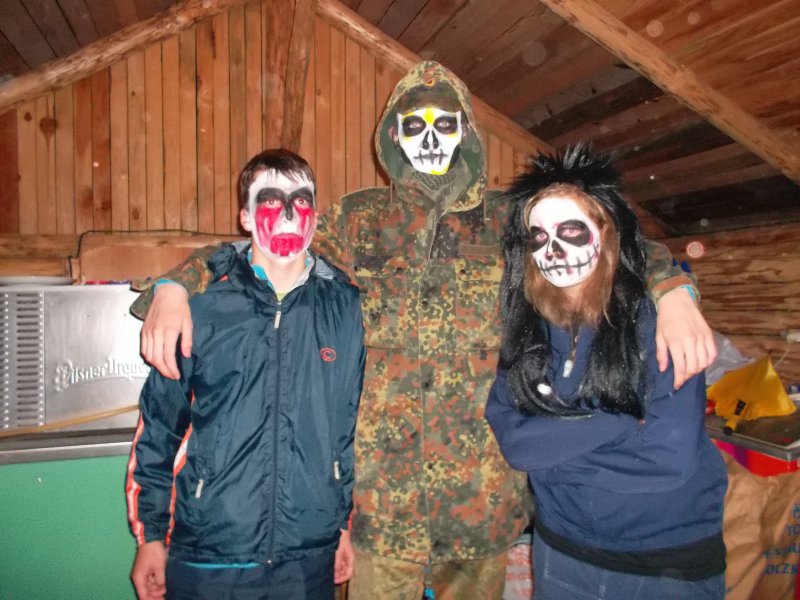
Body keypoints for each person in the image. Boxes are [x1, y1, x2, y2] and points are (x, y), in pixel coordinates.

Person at [130, 62, 716, 599]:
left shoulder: (510, 218)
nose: (430, 137)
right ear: (394, 135)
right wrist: (177, 286)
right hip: (384, 507)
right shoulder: (359, 220)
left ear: (466, 132)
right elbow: (271, 247)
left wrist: (674, 293)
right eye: (414, 124)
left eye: (445, 122)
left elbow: (610, 239)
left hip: (481, 499)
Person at [486, 143, 727, 599]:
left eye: (571, 230)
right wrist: (620, 421)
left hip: (663, 562)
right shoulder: (528, 330)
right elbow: (515, 442)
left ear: (606, 232)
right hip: (561, 550)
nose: (553, 249)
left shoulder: (653, 323)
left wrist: (553, 453)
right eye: (539, 237)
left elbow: (667, 459)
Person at [125, 149, 365, 600]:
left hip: (308, 555)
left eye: (301, 200)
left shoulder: (345, 306)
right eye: (272, 200)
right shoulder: (199, 305)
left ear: (316, 215)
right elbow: (159, 427)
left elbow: (344, 432)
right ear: (246, 216)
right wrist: (151, 537)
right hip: (209, 553)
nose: (289, 213)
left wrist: (340, 526)